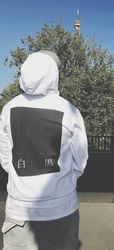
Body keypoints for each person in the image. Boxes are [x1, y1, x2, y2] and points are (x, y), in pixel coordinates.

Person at [0, 50, 88, 250]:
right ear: (53, 75)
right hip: (62, 208)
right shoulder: (69, 110)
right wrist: (64, 183)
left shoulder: (8, 108)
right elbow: (80, 160)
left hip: (19, 210)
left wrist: (23, 180)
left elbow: (6, 158)